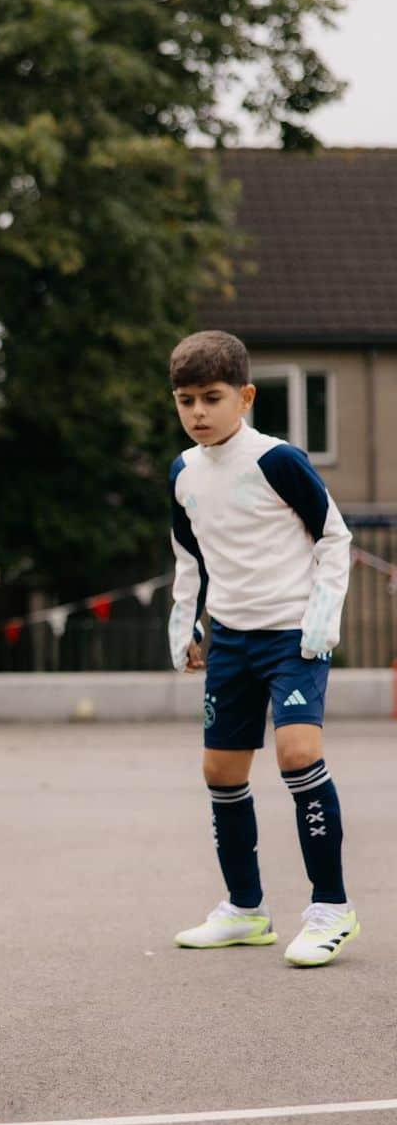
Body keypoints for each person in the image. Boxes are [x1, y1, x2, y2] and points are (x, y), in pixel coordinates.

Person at [167, 330, 355, 967]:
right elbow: (189, 555)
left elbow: (333, 537)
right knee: (221, 772)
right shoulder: (183, 472)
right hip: (230, 640)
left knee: (298, 753)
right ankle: (245, 910)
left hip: (292, 636)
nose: (197, 412)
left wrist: (322, 617)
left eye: (211, 398)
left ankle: (331, 909)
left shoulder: (278, 461)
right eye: (185, 400)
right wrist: (186, 625)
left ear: (244, 397)